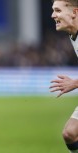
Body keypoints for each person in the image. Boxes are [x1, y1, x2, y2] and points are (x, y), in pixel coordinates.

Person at [50, 0, 78, 152]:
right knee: (70, 133)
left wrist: (75, 83)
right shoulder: (72, 33)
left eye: (58, 10)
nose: (53, 15)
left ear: (74, 13)